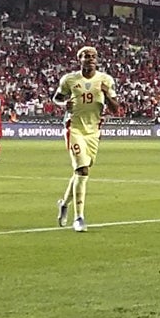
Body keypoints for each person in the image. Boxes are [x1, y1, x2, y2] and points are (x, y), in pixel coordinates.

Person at [54, 46, 119, 233]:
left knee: (80, 172)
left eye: (93, 57)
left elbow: (116, 109)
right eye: (86, 56)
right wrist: (63, 104)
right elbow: (56, 98)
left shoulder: (105, 80)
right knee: (82, 171)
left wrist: (107, 94)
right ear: (79, 59)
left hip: (94, 132)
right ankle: (79, 217)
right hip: (74, 128)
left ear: (97, 60)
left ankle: (64, 203)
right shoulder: (69, 79)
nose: (90, 59)